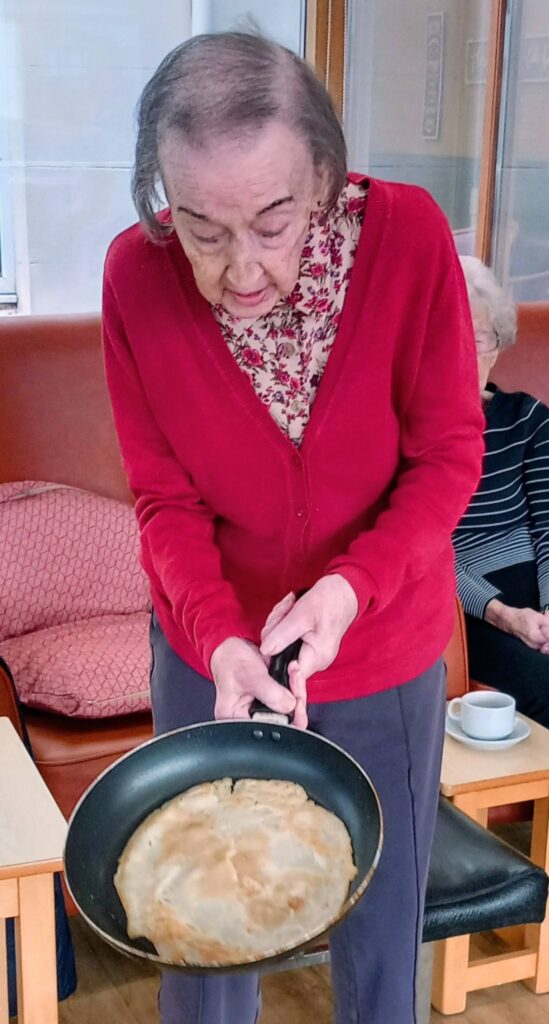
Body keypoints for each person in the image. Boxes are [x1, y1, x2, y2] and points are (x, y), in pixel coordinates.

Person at [102, 32, 483, 1024]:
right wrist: (223, 640)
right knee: (207, 933)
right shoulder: (133, 282)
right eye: (201, 229)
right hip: (211, 660)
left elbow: (448, 456)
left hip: (387, 642)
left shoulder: (409, 239)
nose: (242, 270)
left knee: (382, 927)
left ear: (323, 173)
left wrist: (347, 589)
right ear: (159, 200)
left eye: (272, 221)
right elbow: (164, 500)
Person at [454, 256, 549, 727]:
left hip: (539, 585)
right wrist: (505, 615)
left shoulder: (526, 419)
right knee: (542, 684)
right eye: (448, 337)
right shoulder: (407, 436)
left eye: (477, 339)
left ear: (497, 347)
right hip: (467, 606)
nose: (463, 353)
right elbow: (427, 552)